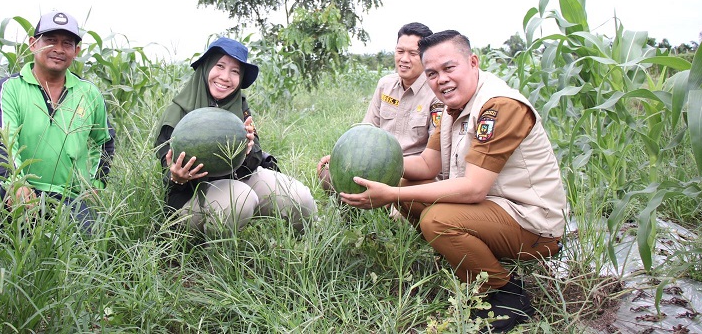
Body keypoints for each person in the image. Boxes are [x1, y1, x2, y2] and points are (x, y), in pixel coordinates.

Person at [340, 30, 566, 332]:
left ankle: (503, 293)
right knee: (407, 190)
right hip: (496, 210)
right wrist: (368, 167)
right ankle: (466, 261)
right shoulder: (452, 107)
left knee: (437, 219)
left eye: (449, 68)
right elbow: (426, 164)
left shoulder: (500, 106)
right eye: (432, 73)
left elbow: (473, 188)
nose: (441, 79)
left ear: (473, 62)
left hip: (533, 223)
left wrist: (389, 193)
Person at [154, 37, 317, 234]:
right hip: (191, 196)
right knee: (240, 198)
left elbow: (254, 158)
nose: (225, 77)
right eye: (220, 66)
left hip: (238, 180)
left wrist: (248, 150)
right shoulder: (178, 112)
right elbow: (166, 170)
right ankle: (214, 258)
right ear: (206, 67)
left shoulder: (239, 106)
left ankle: (308, 247)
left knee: (300, 198)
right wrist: (177, 177)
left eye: (235, 71)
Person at [0, 11, 115, 233]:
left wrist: (96, 183)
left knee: (87, 253)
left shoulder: (89, 93)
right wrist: (17, 184)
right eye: (50, 41)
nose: (59, 49)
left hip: (69, 196)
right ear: (33, 44)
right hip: (19, 190)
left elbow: (105, 141)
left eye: (67, 43)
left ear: (76, 51)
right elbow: (2, 142)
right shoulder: (9, 88)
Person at [318, 22, 443, 190]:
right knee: (327, 173)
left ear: (426, 56)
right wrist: (342, 157)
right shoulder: (385, 85)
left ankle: (388, 205)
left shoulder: (436, 93)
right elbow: (365, 130)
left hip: (412, 172)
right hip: (375, 166)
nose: (404, 59)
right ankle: (354, 212)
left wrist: (388, 168)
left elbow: (432, 158)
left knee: (405, 189)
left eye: (413, 53)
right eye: (400, 51)